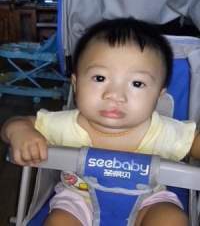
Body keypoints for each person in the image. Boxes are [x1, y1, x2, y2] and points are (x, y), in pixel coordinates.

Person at [1, 17, 199, 226]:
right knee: (59, 222)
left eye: (137, 83)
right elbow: (16, 123)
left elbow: (194, 143)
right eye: (100, 78)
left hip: (148, 201)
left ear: (159, 96)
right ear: (76, 84)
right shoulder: (66, 125)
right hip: (78, 202)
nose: (115, 95)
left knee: (172, 219)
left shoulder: (162, 131)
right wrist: (20, 132)